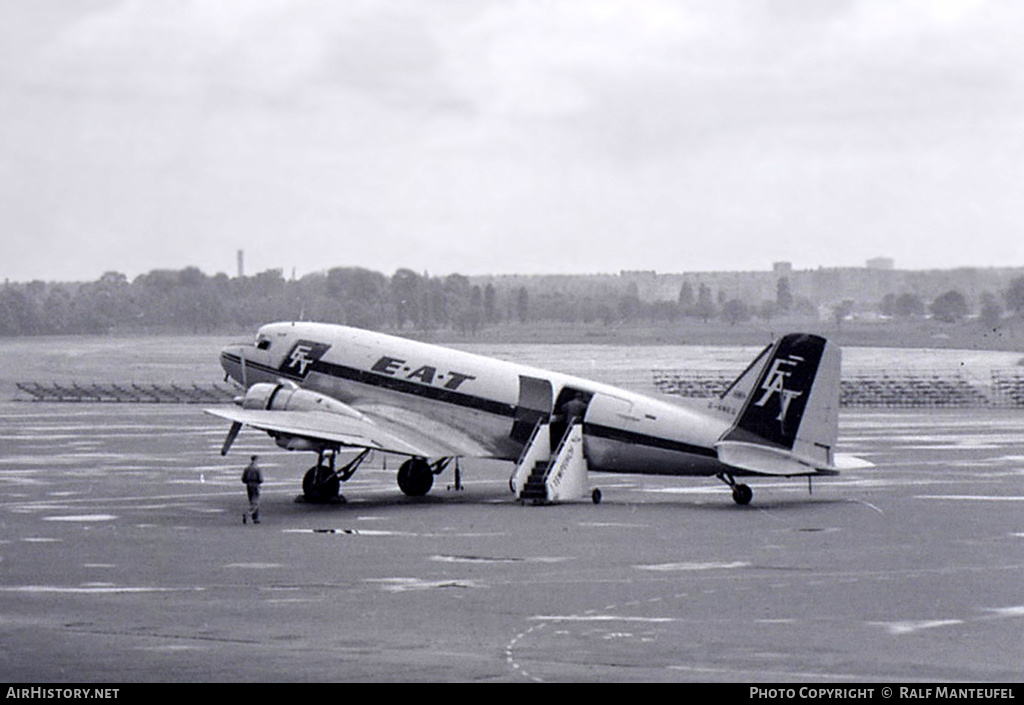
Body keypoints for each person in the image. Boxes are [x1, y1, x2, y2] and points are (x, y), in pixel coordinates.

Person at [241, 455, 263, 524]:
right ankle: (248, 514)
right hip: (255, 485)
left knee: (251, 501)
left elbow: (243, 479)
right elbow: (260, 479)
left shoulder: (247, 468)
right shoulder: (257, 469)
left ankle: (255, 518)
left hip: (248, 485)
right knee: (255, 502)